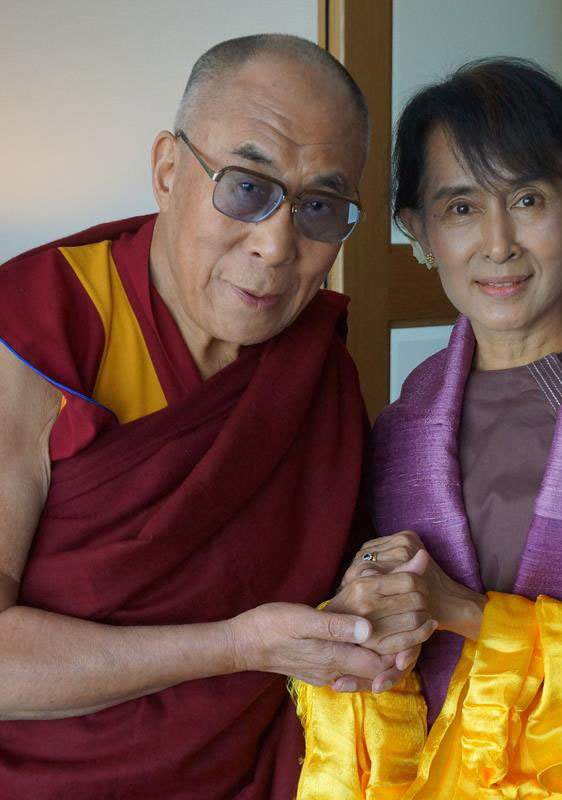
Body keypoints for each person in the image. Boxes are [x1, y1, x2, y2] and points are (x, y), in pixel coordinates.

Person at [0, 34, 433, 799]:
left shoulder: (316, 367)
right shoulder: (38, 335)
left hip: (265, 773)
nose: (275, 245)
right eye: (245, 186)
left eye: (320, 208)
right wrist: (236, 646)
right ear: (169, 170)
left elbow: (327, 573)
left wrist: (366, 596)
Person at [293, 59, 562, 798]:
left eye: (528, 199)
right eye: (461, 208)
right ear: (418, 230)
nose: (498, 244)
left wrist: (464, 613)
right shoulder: (404, 428)